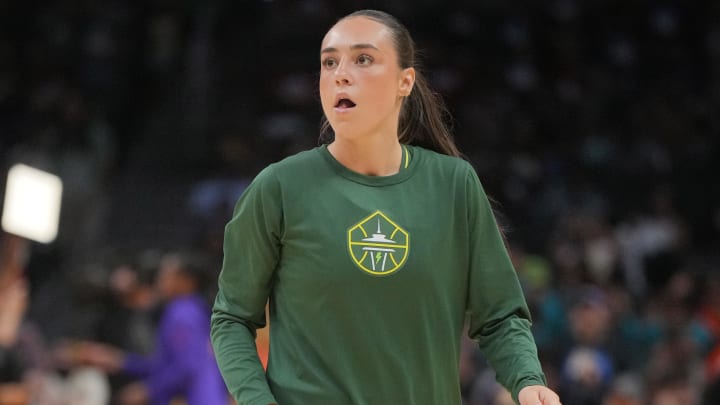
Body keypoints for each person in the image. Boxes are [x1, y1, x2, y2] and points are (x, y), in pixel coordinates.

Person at [211, 9, 561, 405]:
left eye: (363, 59)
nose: (341, 73)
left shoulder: (454, 185)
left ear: (404, 81)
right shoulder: (279, 187)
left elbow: (500, 316)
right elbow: (232, 319)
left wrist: (527, 380)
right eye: (330, 62)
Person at [79, 253, 228, 405]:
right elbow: (166, 365)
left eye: (167, 275)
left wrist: (148, 389)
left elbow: (188, 366)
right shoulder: (190, 309)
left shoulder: (183, 313)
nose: (160, 279)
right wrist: (121, 361)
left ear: (187, 281)